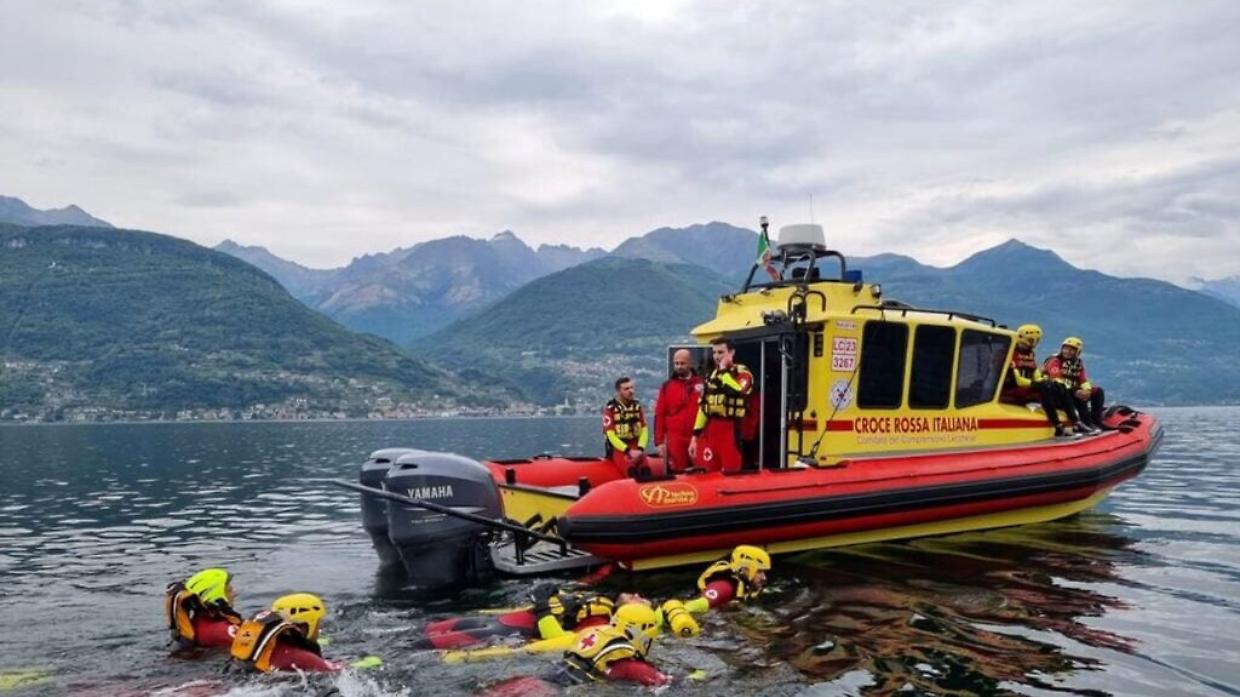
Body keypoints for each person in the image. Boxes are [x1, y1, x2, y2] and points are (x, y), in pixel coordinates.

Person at [413, 586, 628, 650]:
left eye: (640, 600)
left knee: (422, 645)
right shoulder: (599, 599)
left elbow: (556, 637)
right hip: (504, 620)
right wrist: (553, 591)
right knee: (426, 629)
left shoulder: (600, 622)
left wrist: (543, 605)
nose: (637, 596)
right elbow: (562, 606)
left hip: (506, 632)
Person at [1000, 324, 1080, 439]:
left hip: (1025, 386)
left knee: (1058, 386)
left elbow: (1036, 373)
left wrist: (1048, 381)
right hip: (1012, 388)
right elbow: (1018, 380)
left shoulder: (1030, 354)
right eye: (1032, 340)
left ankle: (1075, 421)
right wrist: (1040, 383)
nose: (1034, 343)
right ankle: (1057, 424)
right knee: (1045, 387)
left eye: (1036, 340)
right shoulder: (1011, 354)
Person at [230, 593, 340, 673]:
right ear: (308, 624)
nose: (318, 628)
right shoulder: (303, 658)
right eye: (318, 623)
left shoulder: (257, 647)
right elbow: (338, 672)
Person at [689, 338, 754, 472]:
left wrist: (724, 371)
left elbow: (736, 392)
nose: (717, 356)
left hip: (730, 430)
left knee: (732, 471)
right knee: (709, 472)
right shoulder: (711, 377)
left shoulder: (743, 373)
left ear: (731, 353)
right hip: (712, 432)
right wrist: (694, 437)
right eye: (714, 353)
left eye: (721, 352)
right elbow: (704, 408)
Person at [164, 567, 242, 651]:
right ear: (216, 596)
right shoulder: (223, 631)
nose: (234, 594)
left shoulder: (196, 624)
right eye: (229, 590)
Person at [654, 349, 705, 473]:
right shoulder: (667, 386)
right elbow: (659, 414)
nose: (679, 367)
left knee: (701, 470)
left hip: (697, 436)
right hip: (675, 438)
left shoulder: (702, 383)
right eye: (676, 363)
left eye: (682, 363)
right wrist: (659, 442)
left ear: (690, 363)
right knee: (678, 471)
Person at [1043, 337, 1106, 434]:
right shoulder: (1054, 361)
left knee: (1098, 391)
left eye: (1072, 350)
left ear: (1077, 352)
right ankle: (1086, 423)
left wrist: (1087, 391)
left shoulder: (1078, 364)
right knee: (1078, 395)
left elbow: (1083, 380)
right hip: (1057, 394)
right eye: (1066, 348)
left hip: (1072, 392)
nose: (1068, 351)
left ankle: (1096, 420)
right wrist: (1076, 391)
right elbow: (1057, 379)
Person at [603, 376, 652, 477]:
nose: (631, 391)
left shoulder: (637, 407)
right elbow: (611, 436)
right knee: (631, 472)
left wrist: (640, 449)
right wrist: (628, 450)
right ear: (618, 391)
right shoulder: (610, 410)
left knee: (646, 471)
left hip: (637, 446)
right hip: (620, 449)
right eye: (626, 389)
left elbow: (644, 430)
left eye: (632, 388)